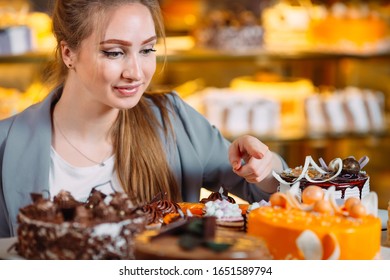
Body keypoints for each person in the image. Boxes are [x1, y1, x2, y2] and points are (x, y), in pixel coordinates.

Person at [0, 0, 286, 238]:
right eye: (114, 52)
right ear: (68, 53)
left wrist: (264, 165)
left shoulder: (173, 120)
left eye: (147, 49)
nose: (136, 72)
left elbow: (271, 195)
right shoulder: (6, 145)